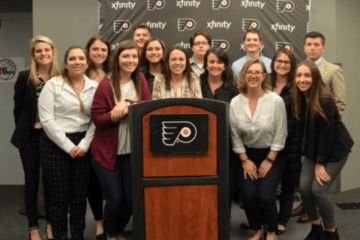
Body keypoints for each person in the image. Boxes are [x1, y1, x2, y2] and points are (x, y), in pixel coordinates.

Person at [90, 40, 152, 240]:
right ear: (117, 59)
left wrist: (127, 104)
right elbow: (98, 119)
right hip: (107, 151)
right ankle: (110, 233)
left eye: (134, 56)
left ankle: (116, 230)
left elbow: (148, 106)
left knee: (131, 199)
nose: (130, 60)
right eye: (126, 56)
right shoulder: (106, 84)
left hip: (131, 151)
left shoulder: (140, 78)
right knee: (115, 199)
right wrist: (114, 115)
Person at [39, 46, 98, 240]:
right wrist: (68, 146)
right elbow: (47, 120)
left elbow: (96, 120)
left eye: (81, 58)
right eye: (72, 59)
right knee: (59, 199)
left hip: (83, 144)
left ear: (87, 63)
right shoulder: (53, 85)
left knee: (79, 198)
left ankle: (78, 236)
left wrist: (84, 145)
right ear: (65, 63)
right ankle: (60, 236)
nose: (77, 62)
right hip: (55, 144)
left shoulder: (94, 87)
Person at [292, 61, 353, 240]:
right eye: (298, 75)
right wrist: (304, 153)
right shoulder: (300, 96)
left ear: (315, 78)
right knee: (304, 188)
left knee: (318, 190)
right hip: (314, 149)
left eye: (307, 75)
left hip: (335, 150)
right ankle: (316, 227)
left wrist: (319, 164)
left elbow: (326, 136)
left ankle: (331, 232)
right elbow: (305, 130)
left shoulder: (324, 99)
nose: (302, 80)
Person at [230, 58, 287, 240]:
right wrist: (245, 160)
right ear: (243, 76)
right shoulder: (235, 102)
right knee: (248, 196)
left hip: (273, 155)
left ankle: (271, 230)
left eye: (257, 72)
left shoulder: (275, 101)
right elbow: (235, 135)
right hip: (246, 155)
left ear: (264, 76)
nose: (253, 75)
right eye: (249, 72)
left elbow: (281, 133)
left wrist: (269, 160)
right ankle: (257, 229)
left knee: (265, 196)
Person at [293, 31, 347, 223]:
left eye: (316, 44)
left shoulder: (332, 70)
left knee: (318, 188)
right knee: (305, 186)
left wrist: (327, 121)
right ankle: (309, 210)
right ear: (304, 47)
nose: (312, 47)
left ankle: (327, 225)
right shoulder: (300, 72)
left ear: (323, 47)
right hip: (311, 138)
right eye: (309, 44)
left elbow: (339, 102)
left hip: (328, 133)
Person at [11, 35, 60, 240]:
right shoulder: (25, 77)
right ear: (34, 54)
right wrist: (27, 128)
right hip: (30, 136)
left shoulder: (61, 76)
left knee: (50, 183)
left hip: (53, 137)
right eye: (38, 51)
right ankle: (33, 228)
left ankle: (50, 224)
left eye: (46, 50)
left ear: (52, 52)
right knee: (32, 183)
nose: (43, 54)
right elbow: (18, 108)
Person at [270, 49, 301, 235]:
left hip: (290, 142)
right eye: (279, 61)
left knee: (287, 184)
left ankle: (282, 220)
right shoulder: (265, 83)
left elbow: (297, 116)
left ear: (292, 65)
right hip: (266, 141)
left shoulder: (296, 86)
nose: (282, 65)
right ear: (273, 63)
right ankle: (264, 218)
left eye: (286, 62)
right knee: (267, 184)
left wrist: (280, 133)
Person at [85, 36, 112, 240]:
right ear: (88, 51)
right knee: (91, 182)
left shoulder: (113, 74)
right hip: (84, 132)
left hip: (107, 132)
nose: (99, 53)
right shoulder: (80, 72)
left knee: (110, 184)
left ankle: (113, 222)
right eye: (95, 49)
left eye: (103, 50)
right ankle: (99, 224)